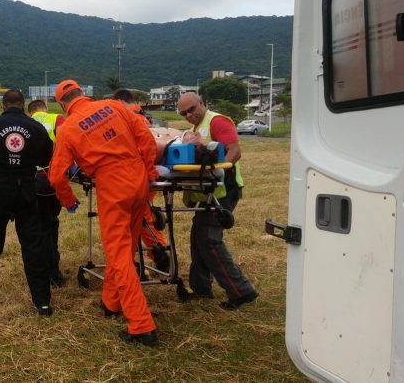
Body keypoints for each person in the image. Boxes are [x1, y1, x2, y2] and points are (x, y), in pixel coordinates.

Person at [49, 79, 159, 346]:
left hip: (113, 187)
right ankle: (111, 303)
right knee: (128, 245)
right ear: (83, 93)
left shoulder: (69, 128)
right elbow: (146, 139)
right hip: (138, 179)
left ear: (62, 104)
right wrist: (150, 174)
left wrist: (68, 200)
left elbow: (56, 176)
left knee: (118, 255)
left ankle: (142, 325)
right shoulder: (115, 105)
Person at [0, 89, 55, 316]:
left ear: (3, 105)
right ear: (23, 105)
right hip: (27, 189)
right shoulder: (35, 127)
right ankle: (43, 302)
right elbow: (47, 158)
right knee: (33, 246)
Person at [176, 92, 258, 310]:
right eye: (184, 113)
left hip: (223, 191)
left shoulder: (217, 121)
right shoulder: (195, 130)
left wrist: (217, 171)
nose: (188, 115)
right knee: (198, 237)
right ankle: (201, 288)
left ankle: (241, 291)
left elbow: (235, 151)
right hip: (208, 193)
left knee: (209, 240)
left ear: (202, 102)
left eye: (192, 109)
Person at [111, 89, 171, 273]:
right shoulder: (140, 115)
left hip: (137, 176)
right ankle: (153, 256)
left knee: (141, 219)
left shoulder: (130, 117)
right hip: (144, 173)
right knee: (140, 218)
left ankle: (160, 256)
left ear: (120, 102)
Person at [27, 99, 66, 287]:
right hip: (52, 179)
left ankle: (44, 268)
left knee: (39, 226)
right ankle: (53, 271)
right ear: (45, 109)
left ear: (30, 113)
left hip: (31, 180)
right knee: (51, 224)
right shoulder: (56, 118)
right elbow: (68, 141)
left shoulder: (25, 124)